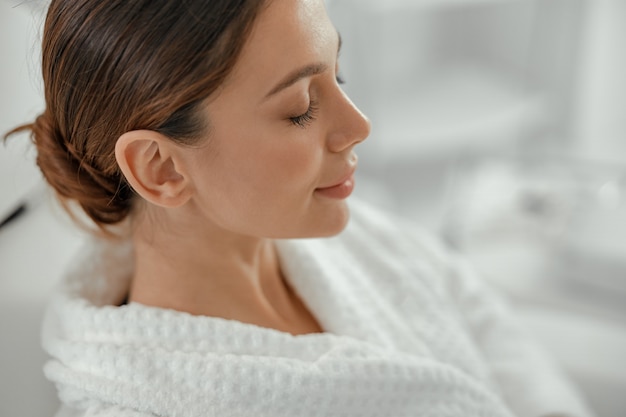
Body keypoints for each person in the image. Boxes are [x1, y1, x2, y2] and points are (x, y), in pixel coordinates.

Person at [6, 0, 595, 416]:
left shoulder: (346, 229)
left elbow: (479, 317)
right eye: (301, 108)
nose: (359, 126)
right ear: (162, 169)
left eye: (339, 73)